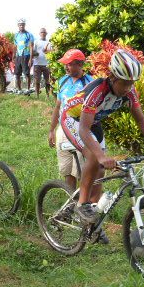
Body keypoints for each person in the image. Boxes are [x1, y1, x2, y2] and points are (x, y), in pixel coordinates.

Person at [60, 49, 144, 224]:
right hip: (73, 119)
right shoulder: (97, 91)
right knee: (94, 158)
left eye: (131, 83)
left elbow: (141, 119)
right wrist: (101, 156)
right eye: (124, 83)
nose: (128, 88)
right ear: (113, 78)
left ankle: (91, 220)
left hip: (92, 123)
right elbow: (83, 130)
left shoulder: (130, 92)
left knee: (100, 172)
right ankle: (81, 204)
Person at [48, 49, 93, 190]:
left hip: (80, 130)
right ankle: (71, 201)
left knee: (79, 169)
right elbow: (58, 106)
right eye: (65, 64)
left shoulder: (89, 83)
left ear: (80, 65)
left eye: (69, 64)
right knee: (67, 169)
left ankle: (82, 202)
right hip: (63, 129)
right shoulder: (63, 81)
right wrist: (52, 130)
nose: (66, 67)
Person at [13, 18, 34, 94]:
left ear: (24, 25)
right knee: (17, 74)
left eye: (23, 24)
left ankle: (28, 89)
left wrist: (30, 59)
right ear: (18, 25)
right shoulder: (16, 35)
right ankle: (19, 89)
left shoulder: (29, 34)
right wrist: (13, 57)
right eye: (20, 24)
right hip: (18, 56)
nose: (21, 26)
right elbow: (15, 46)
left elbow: (31, 47)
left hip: (26, 55)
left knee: (27, 74)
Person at [32, 28, 52, 97]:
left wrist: (47, 51)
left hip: (47, 64)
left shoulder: (49, 42)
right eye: (41, 32)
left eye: (44, 32)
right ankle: (37, 95)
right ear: (39, 33)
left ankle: (48, 95)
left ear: (46, 33)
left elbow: (52, 52)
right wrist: (35, 54)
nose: (43, 33)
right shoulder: (36, 42)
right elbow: (32, 52)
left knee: (48, 81)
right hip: (37, 64)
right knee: (37, 81)